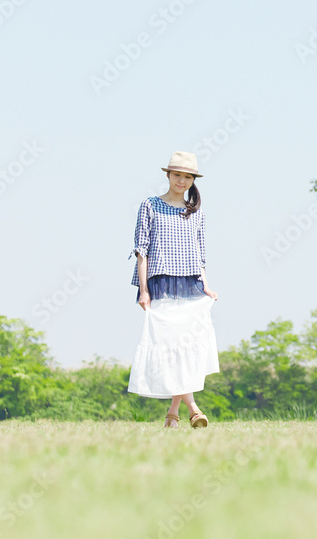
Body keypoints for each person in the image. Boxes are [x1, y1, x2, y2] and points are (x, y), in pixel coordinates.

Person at [126, 151, 220, 429]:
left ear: (193, 180)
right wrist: (144, 290)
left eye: (188, 176)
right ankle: (192, 408)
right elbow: (141, 250)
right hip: (162, 283)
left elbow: (200, 253)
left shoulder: (196, 212)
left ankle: (174, 412)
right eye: (177, 175)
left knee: (186, 348)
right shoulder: (150, 205)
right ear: (168, 175)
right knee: (168, 347)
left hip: (190, 284)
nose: (182, 180)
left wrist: (205, 285)